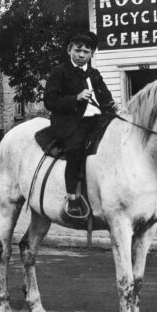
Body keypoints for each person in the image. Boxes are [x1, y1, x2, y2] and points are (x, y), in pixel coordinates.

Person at [44, 31, 117, 217]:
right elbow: (50, 101)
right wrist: (75, 98)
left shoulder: (94, 74)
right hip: (72, 123)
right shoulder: (59, 72)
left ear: (92, 54)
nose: (82, 55)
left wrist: (112, 104)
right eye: (78, 50)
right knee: (76, 150)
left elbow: (105, 97)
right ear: (70, 50)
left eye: (86, 51)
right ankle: (72, 198)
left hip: (97, 121)